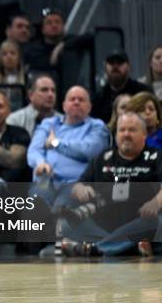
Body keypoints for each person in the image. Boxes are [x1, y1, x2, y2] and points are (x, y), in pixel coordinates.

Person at [62, 113, 161, 256]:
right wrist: (81, 189)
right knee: (67, 224)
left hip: (141, 222)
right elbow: (77, 185)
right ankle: (127, 246)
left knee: (156, 221)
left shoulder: (156, 156)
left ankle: (95, 248)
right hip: (105, 225)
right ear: (115, 134)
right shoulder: (103, 157)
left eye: (132, 130)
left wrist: (156, 203)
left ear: (144, 135)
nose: (126, 134)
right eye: (122, 130)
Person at [92, 50, 152, 123]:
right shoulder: (98, 99)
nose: (115, 66)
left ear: (129, 67)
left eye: (120, 62)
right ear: (105, 67)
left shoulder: (143, 92)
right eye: (111, 63)